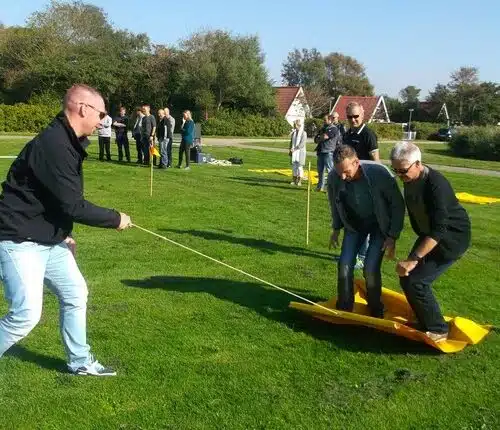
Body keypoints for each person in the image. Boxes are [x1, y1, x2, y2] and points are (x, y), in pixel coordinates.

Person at [0, 84, 133, 376]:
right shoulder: (54, 144)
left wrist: (63, 233)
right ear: (83, 109)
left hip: (49, 239)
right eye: (101, 114)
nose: (102, 121)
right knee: (25, 315)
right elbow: (73, 204)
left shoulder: (67, 141)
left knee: (75, 294)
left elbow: (52, 197)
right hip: (19, 239)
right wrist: (115, 219)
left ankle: (80, 361)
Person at [390, 142, 471, 342]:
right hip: (429, 235)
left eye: (403, 170)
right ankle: (425, 321)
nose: (399, 175)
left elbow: (439, 229)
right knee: (407, 277)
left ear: (418, 164)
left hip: (452, 239)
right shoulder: (410, 178)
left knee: (417, 281)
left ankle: (439, 329)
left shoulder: (436, 185)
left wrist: (414, 258)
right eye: (395, 170)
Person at [327, 145, 405, 317]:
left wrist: (392, 235)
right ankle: (344, 307)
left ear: (356, 162)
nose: (342, 176)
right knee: (344, 264)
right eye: (339, 172)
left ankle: (376, 308)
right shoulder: (334, 177)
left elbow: (397, 205)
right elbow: (334, 203)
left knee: (370, 267)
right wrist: (336, 228)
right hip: (354, 225)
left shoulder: (379, 173)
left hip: (380, 226)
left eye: (346, 172)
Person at [343, 102, 380, 269]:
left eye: (356, 116)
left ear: (362, 115)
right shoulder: (347, 134)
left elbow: (376, 162)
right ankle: (354, 253)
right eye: (350, 117)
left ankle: (363, 256)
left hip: (365, 186)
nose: (353, 120)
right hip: (350, 184)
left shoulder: (368, 135)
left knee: (364, 222)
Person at [314, 114, 340, 191]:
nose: (324, 121)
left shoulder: (334, 128)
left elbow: (325, 137)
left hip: (328, 152)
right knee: (320, 171)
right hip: (320, 151)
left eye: (325, 120)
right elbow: (316, 139)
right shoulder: (323, 128)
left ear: (330, 120)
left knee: (330, 171)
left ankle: (331, 188)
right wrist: (321, 137)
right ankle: (320, 187)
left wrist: (320, 137)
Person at [289, 119, 307, 186]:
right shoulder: (293, 133)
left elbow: (302, 144)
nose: (294, 126)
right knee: (294, 167)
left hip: (300, 153)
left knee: (299, 167)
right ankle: (294, 180)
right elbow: (291, 142)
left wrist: (295, 149)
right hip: (294, 152)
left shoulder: (303, 133)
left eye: (295, 125)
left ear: (298, 125)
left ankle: (299, 181)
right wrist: (290, 150)